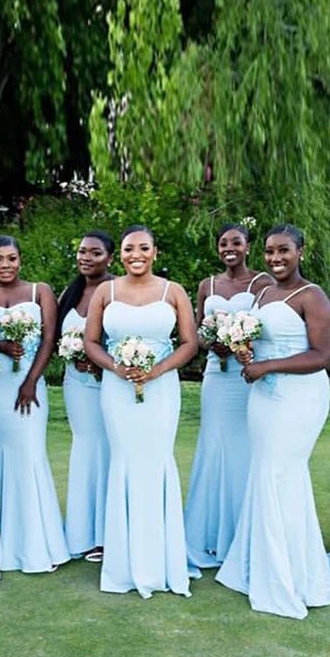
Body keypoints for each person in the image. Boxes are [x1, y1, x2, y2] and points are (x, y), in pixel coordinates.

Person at [216, 224, 330, 617]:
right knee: (265, 472)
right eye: (269, 252)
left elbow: (323, 355)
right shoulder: (264, 291)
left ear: (301, 251)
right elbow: (258, 337)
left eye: (284, 250)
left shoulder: (313, 296)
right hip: (263, 397)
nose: (275, 258)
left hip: (299, 397)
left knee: (280, 473)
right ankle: (261, 567)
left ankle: (290, 577)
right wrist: (246, 350)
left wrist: (267, 365)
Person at [84, 225, 199, 598]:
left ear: (155, 252)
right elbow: (91, 342)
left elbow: (189, 343)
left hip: (161, 388)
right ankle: (122, 563)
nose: (137, 254)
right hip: (116, 389)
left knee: (156, 460)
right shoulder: (106, 290)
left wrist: (157, 370)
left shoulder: (173, 291)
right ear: (120, 254)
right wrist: (117, 368)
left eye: (144, 248)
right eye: (129, 248)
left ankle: (162, 561)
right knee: (125, 460)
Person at [0, 236, 70, 573]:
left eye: (11, 258)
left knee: (29, 453)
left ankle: (34, 544)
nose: (5, 265)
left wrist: (30, 381)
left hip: (28, 382)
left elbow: (49, 337)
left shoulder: (39, 291)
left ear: (20, 260)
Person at [185, 223, 268, 568]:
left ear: (248, 246)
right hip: (216, 377)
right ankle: (208, 535)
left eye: (236, 242)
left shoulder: (262, 283)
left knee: (244, 448)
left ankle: (243, 534)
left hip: (247, 374)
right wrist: (212, 342)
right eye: (223, 243)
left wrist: (242, 344)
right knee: (214, 444)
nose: (229, 248)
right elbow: (195, 333)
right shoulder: (208, 285)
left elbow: (268, 326)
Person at [56, 231, 115, 562]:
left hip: (110, 381)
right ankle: (82, 533)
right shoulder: (71, 292)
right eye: (81, 252)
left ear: (109, 258)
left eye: (94, 253)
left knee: (109, 450)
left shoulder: (118, 291)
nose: (86, 258)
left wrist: (100, 362)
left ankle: (109, 534)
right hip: (76, 384)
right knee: (86, 448)